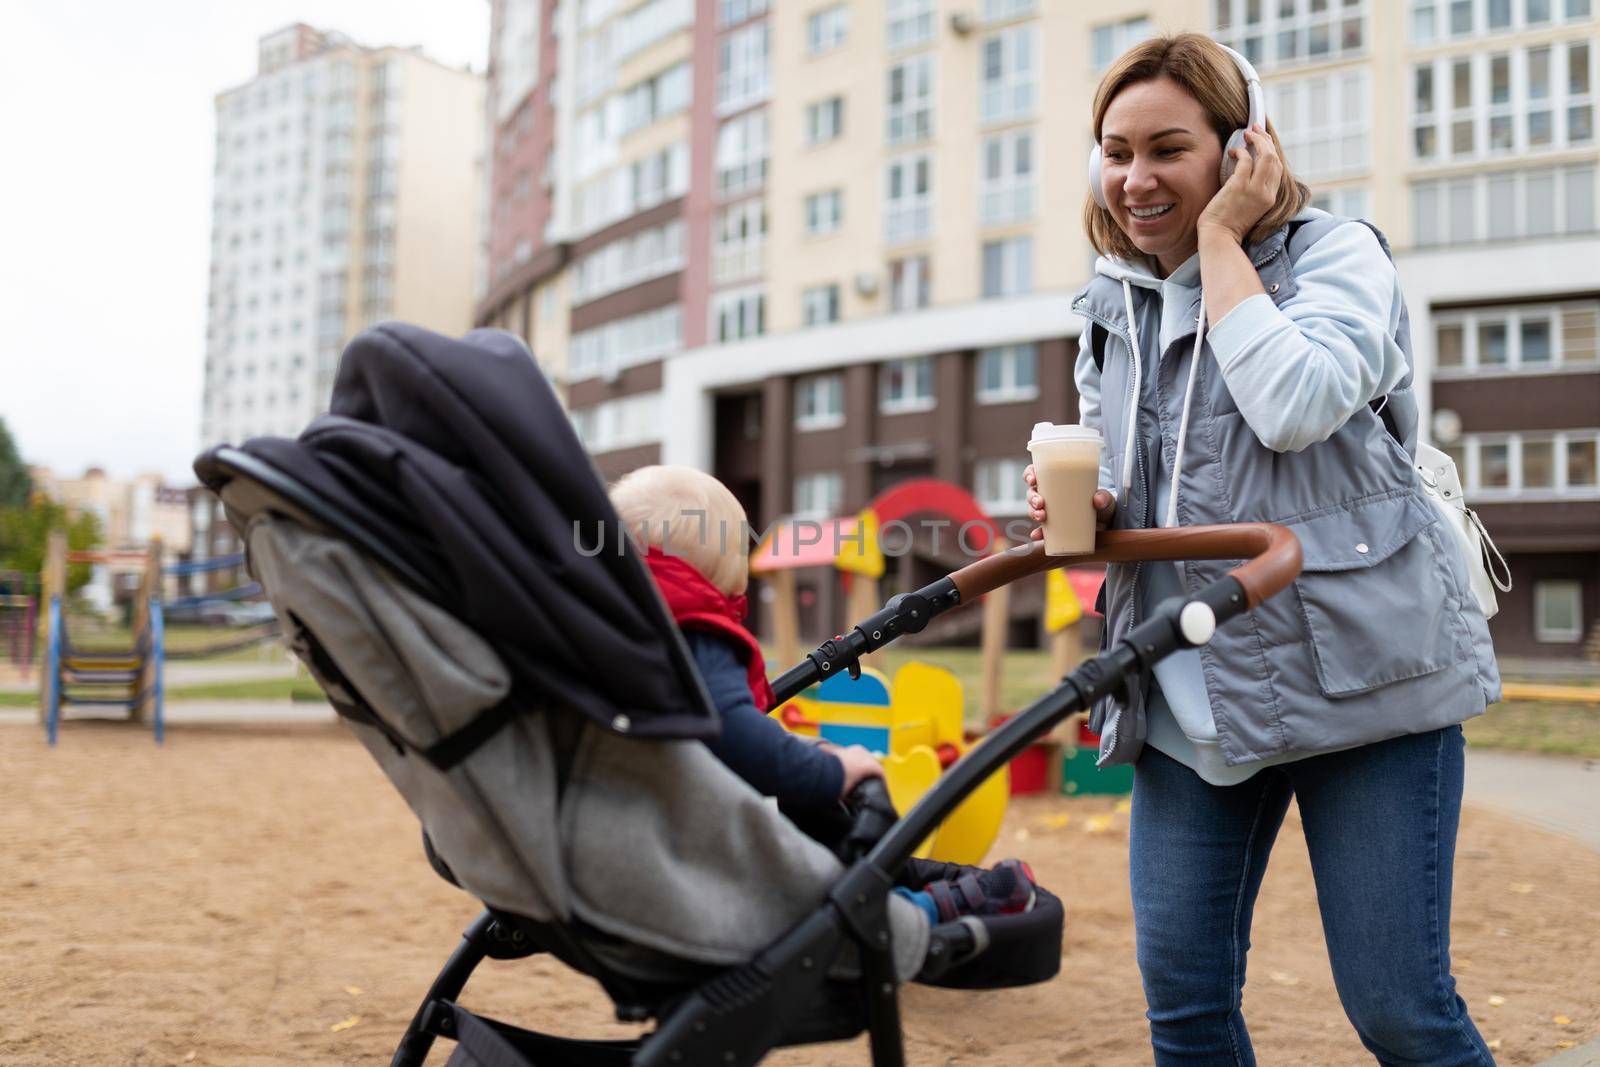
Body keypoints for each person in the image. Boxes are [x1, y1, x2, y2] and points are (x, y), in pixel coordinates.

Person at [1023, 34, 1501, 1065]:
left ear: (1243, 149)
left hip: (1363, 684)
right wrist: (1094, 495)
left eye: (1167, 148)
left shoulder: (1337, 255)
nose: (1136, 178)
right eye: (1115, 150)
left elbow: (1291, 405)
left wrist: (1225, 239)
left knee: (1400, 1013)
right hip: (1191, 694)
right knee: (1185, 1013)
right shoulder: (1113, 301)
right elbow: (1127, 465)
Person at [610, 465, 1036, 925]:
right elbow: (735, 736)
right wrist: (833, 771)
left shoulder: (616, 641)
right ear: (724, 573)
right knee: (810, 872)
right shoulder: (693, 639)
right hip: (699, 854)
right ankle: (919, 912)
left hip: (642, 831)